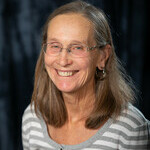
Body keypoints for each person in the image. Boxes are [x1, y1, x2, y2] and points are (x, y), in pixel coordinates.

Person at [22, 1, 150, 149]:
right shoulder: (32, 117)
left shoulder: (130, 128)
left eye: (77, 47)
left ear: (103, 57)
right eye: (55, 46)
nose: (63, 61)